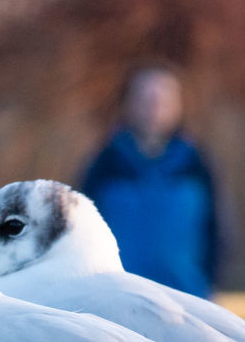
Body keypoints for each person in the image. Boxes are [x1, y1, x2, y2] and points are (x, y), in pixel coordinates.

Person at [80, 62, 225, 297]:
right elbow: (81, 233)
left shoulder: (197, 165)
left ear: (179, 105)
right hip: (117, 304)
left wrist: (209, 284)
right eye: (145, 98)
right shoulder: (104, 164)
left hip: (186, 305)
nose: (154, 107)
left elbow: (218, 232)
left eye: (163, 100)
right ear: (127, 103)